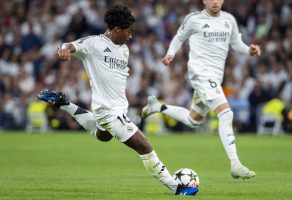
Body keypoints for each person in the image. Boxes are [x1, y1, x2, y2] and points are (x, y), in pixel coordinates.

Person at [37, 5, 197, 195]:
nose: (131, 36)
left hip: (119, 108)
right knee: (143, 145)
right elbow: (69, 45)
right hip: (107, 110)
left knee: (102, 136)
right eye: (129, 32)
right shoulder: (94, 43)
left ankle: (65, 104)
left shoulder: (124, 50)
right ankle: (177, 188)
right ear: (116, 29)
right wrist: (64, 49)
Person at [142, 0, 261, 179]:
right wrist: (170, 53)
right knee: (226, 114)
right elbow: (179, 37)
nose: (215, 2)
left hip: (215, 78)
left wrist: (249, 51)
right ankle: (235, 163)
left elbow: (237, 44)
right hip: (201, 73)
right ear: (204, 1)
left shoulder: (229, 20)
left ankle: (157, 107)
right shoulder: (194, 19)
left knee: (193, 120)